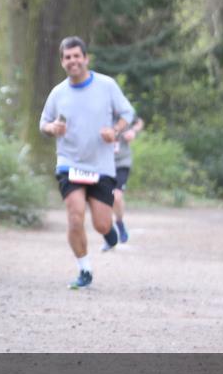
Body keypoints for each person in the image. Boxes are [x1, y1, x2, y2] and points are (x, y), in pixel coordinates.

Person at [39, 36, 134, 289]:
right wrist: (53, 128)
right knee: (75, 215)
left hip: (101, 165)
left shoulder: (106, 85)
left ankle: (109, 233)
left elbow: (127, 114)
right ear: (62, 62)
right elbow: (43, 124)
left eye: (76, 56)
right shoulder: (58, 92)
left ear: (85, 58)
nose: (73, 61)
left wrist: (115, 131)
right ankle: (84, 270)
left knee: (101, 222)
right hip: (69, 163)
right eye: (67, 57)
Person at [103, 115, 145, 250]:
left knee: (117, 197)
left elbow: (139, 122)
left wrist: (133, 131)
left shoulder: (123, 112)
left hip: (122, 162)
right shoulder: (99, 111)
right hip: (102, 163)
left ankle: (119, 223)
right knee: (103, 200)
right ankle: (109, 235)